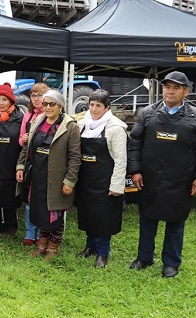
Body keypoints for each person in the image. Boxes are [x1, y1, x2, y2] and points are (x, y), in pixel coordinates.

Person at [128, 71, 196, 278]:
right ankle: (144, 257)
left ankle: (171, 263)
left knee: (176, 221)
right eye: (167, 87)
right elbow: (134, 144)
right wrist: (135, 171)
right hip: (150, 177)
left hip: (181, 179)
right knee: (147, 218)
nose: (170, 91)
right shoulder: (147, 114)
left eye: (176, 88)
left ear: (186, 91)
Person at [16, 89, 81, 261]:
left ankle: (53, 248)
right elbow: (27, 146)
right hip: (37, 175)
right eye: (45, 103)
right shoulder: (38, 121)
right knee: (39, 210)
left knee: (55, 213)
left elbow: (75, 156)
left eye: (52, 104)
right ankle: (41, 245)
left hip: (57, 178)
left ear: (60, 106)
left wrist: (70, 181)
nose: (48, 107)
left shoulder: (70, 126)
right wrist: (20, 166)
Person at [75, 89, 128, 268]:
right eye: (91, 105)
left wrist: (117, 186)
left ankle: (103, 253)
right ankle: (90, 246)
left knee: (105, 218)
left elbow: (121, 160)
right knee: (88, 214)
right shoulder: (82, 125)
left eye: (98, 106)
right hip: (86, 180)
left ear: (107, 108)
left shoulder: (115, 128)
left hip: (106, 181)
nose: (94, 109)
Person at [0, 83, 24, 236]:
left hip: (11, 160)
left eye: (4, 100)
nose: (1, 103)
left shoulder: (20, 118)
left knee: (10, 194)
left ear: (11, 101)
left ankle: (10, 224)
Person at [19, 83, 50, 246]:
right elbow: (20, 140)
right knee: (30, 199)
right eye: (33, 95)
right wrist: (24, 139)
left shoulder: (52, 115)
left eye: (39, 95)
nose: (36, 98)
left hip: (47, 163)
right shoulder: (28, 115)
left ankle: (43, 233)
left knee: (44, 200)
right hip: (31, 162)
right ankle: (30, 232)